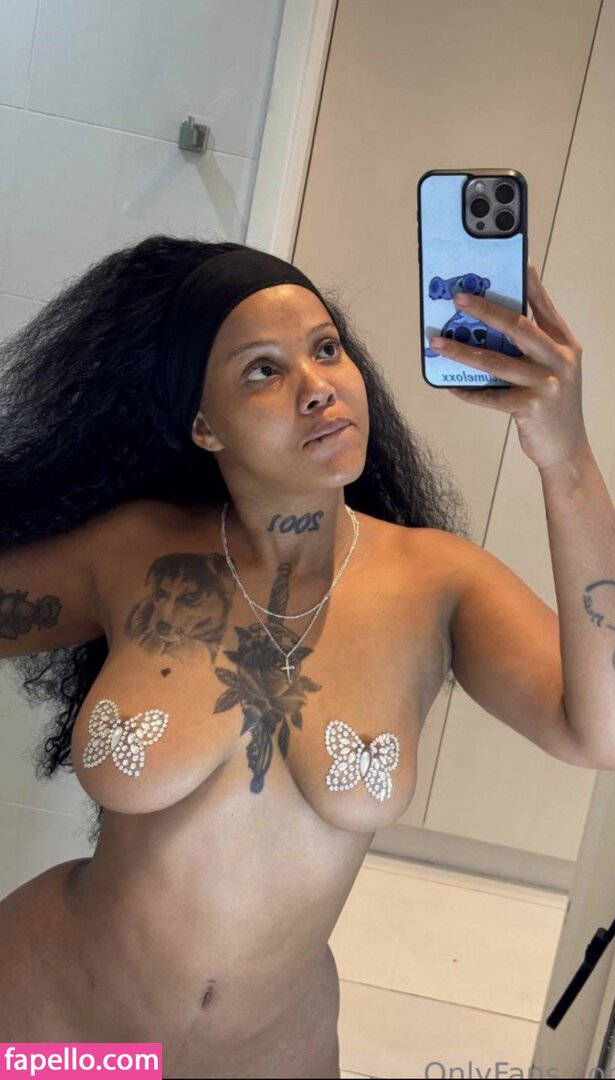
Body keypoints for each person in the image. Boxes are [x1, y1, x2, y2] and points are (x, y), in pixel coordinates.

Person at [0, 235, 472, 1078]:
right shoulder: (136, 551)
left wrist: (562, 451)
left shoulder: (432, 580)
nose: (317, 387)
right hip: (57, 1035)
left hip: (269, 1059)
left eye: (327, 349)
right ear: (203, 424)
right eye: (263, 370)